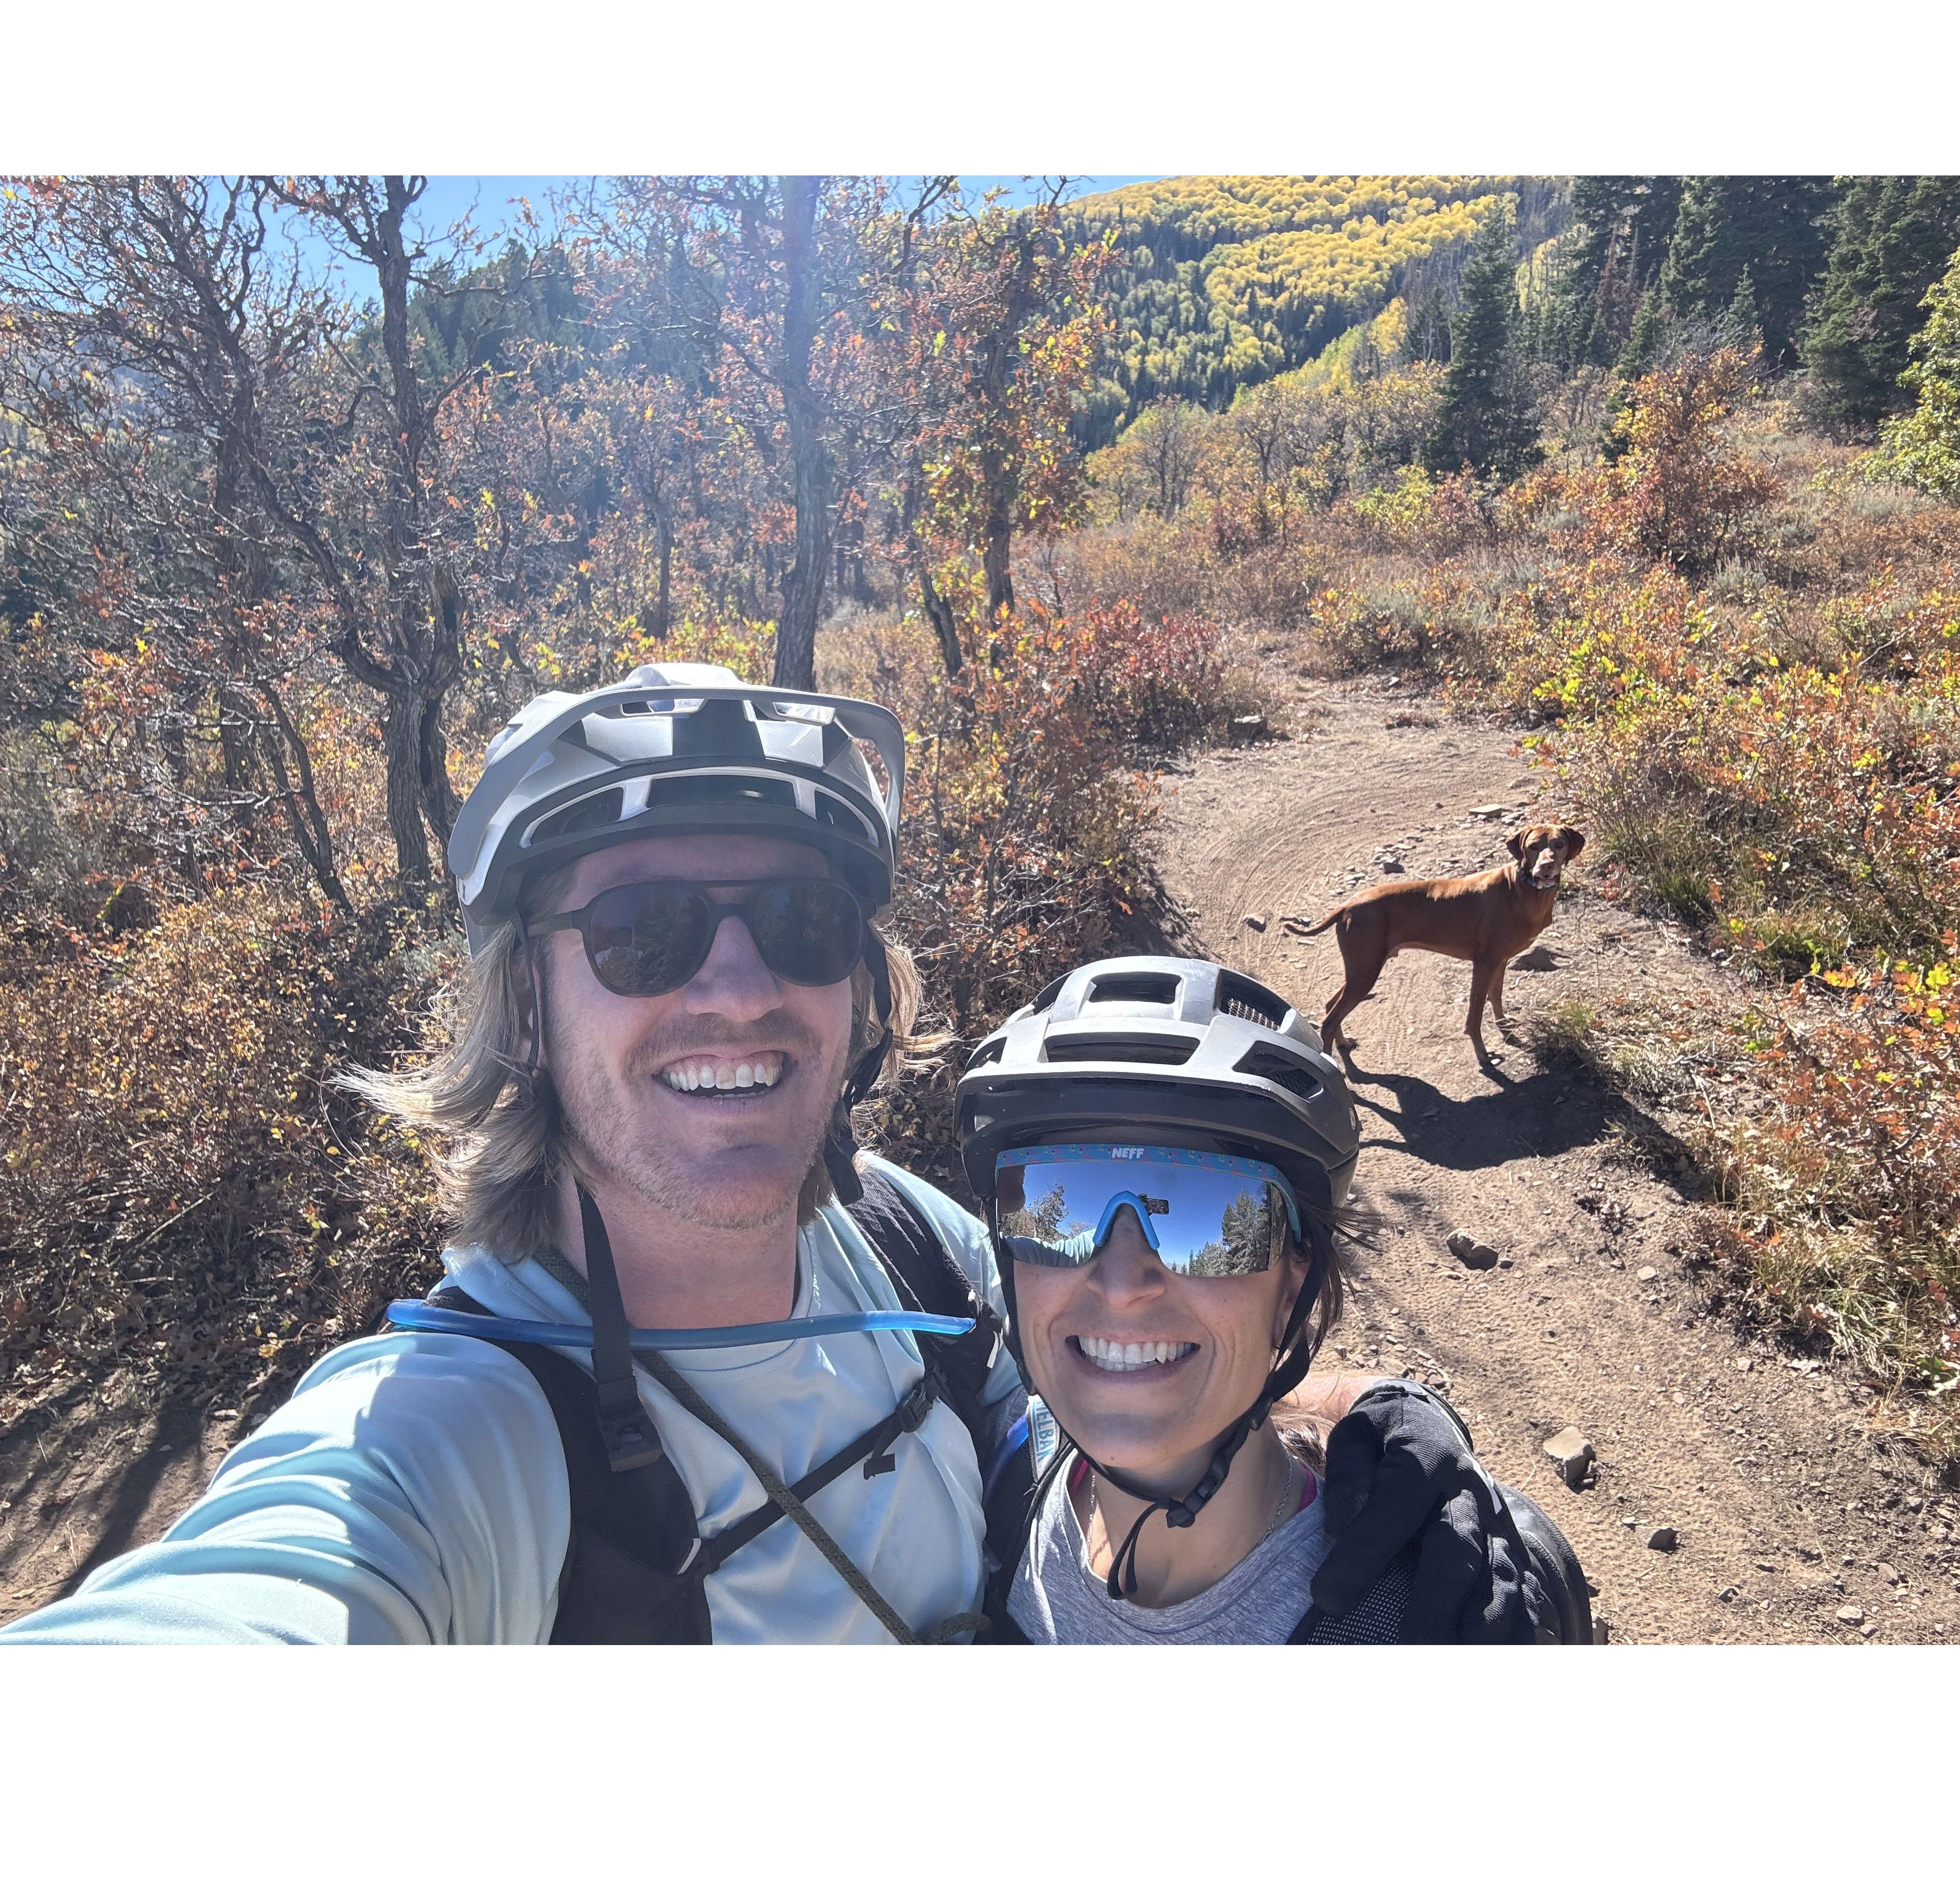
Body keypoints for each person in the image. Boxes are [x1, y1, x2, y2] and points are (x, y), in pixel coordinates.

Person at [2, 665, 1544, 1646]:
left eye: (803, 923)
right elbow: (245, 1616)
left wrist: (1344, 1435)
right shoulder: (456, 1438)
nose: (738, 987)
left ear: (859, 987)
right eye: (643, 929)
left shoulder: (908, 1239)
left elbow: (1115, 1358)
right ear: (524, 1006)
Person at [956, 955, 1591, 1644]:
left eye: (1208, 1219)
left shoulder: (1433, 1623)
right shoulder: (999, 1472)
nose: (1121, 1283)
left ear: (1296, 1280)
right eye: (1057, 1211)